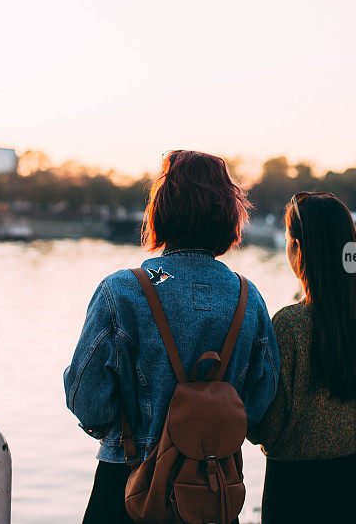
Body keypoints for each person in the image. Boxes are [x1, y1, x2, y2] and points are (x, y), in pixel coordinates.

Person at [64, 150, 280, 524]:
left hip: (129, 484)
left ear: (160, 210)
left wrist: (122, 434)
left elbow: (87, 401)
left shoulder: (122, 290)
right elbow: (259, 405)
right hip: (212, 491)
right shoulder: (248, 297)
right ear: (229, 215)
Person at [248, 191, 356, 523]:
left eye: (287, 241)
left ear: (298, 248)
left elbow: (267, 426)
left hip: (294, 486)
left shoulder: (287, 324)